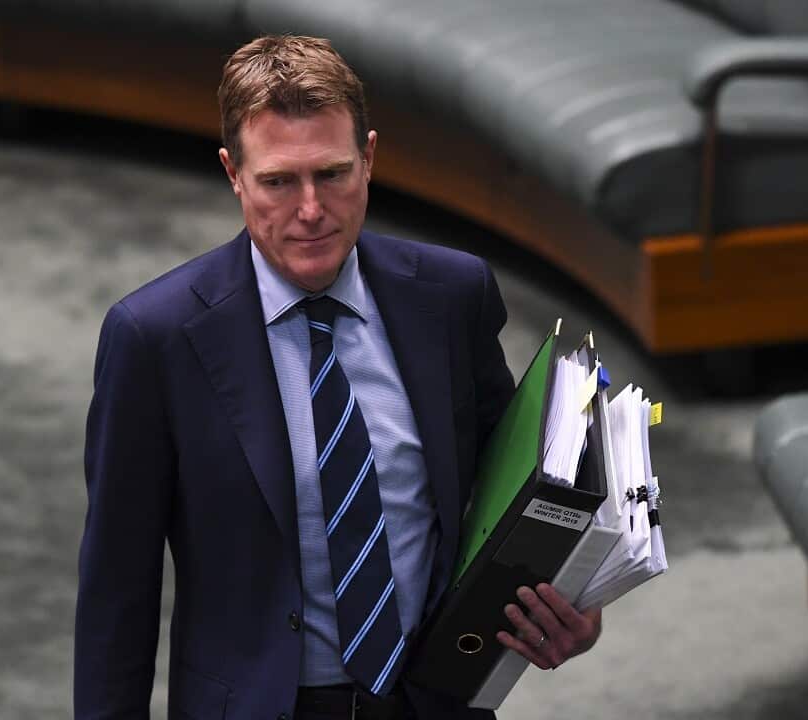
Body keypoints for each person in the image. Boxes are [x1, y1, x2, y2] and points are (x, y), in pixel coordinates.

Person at [75, 34, 602, 720]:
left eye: (332, 174)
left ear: (370, 158)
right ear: (233, 173)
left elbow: (510, 488)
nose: (311, 211)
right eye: (277, 181)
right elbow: (118, 588)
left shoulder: (451, 295)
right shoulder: (154, 337)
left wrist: (575, 600)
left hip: (432, 700)